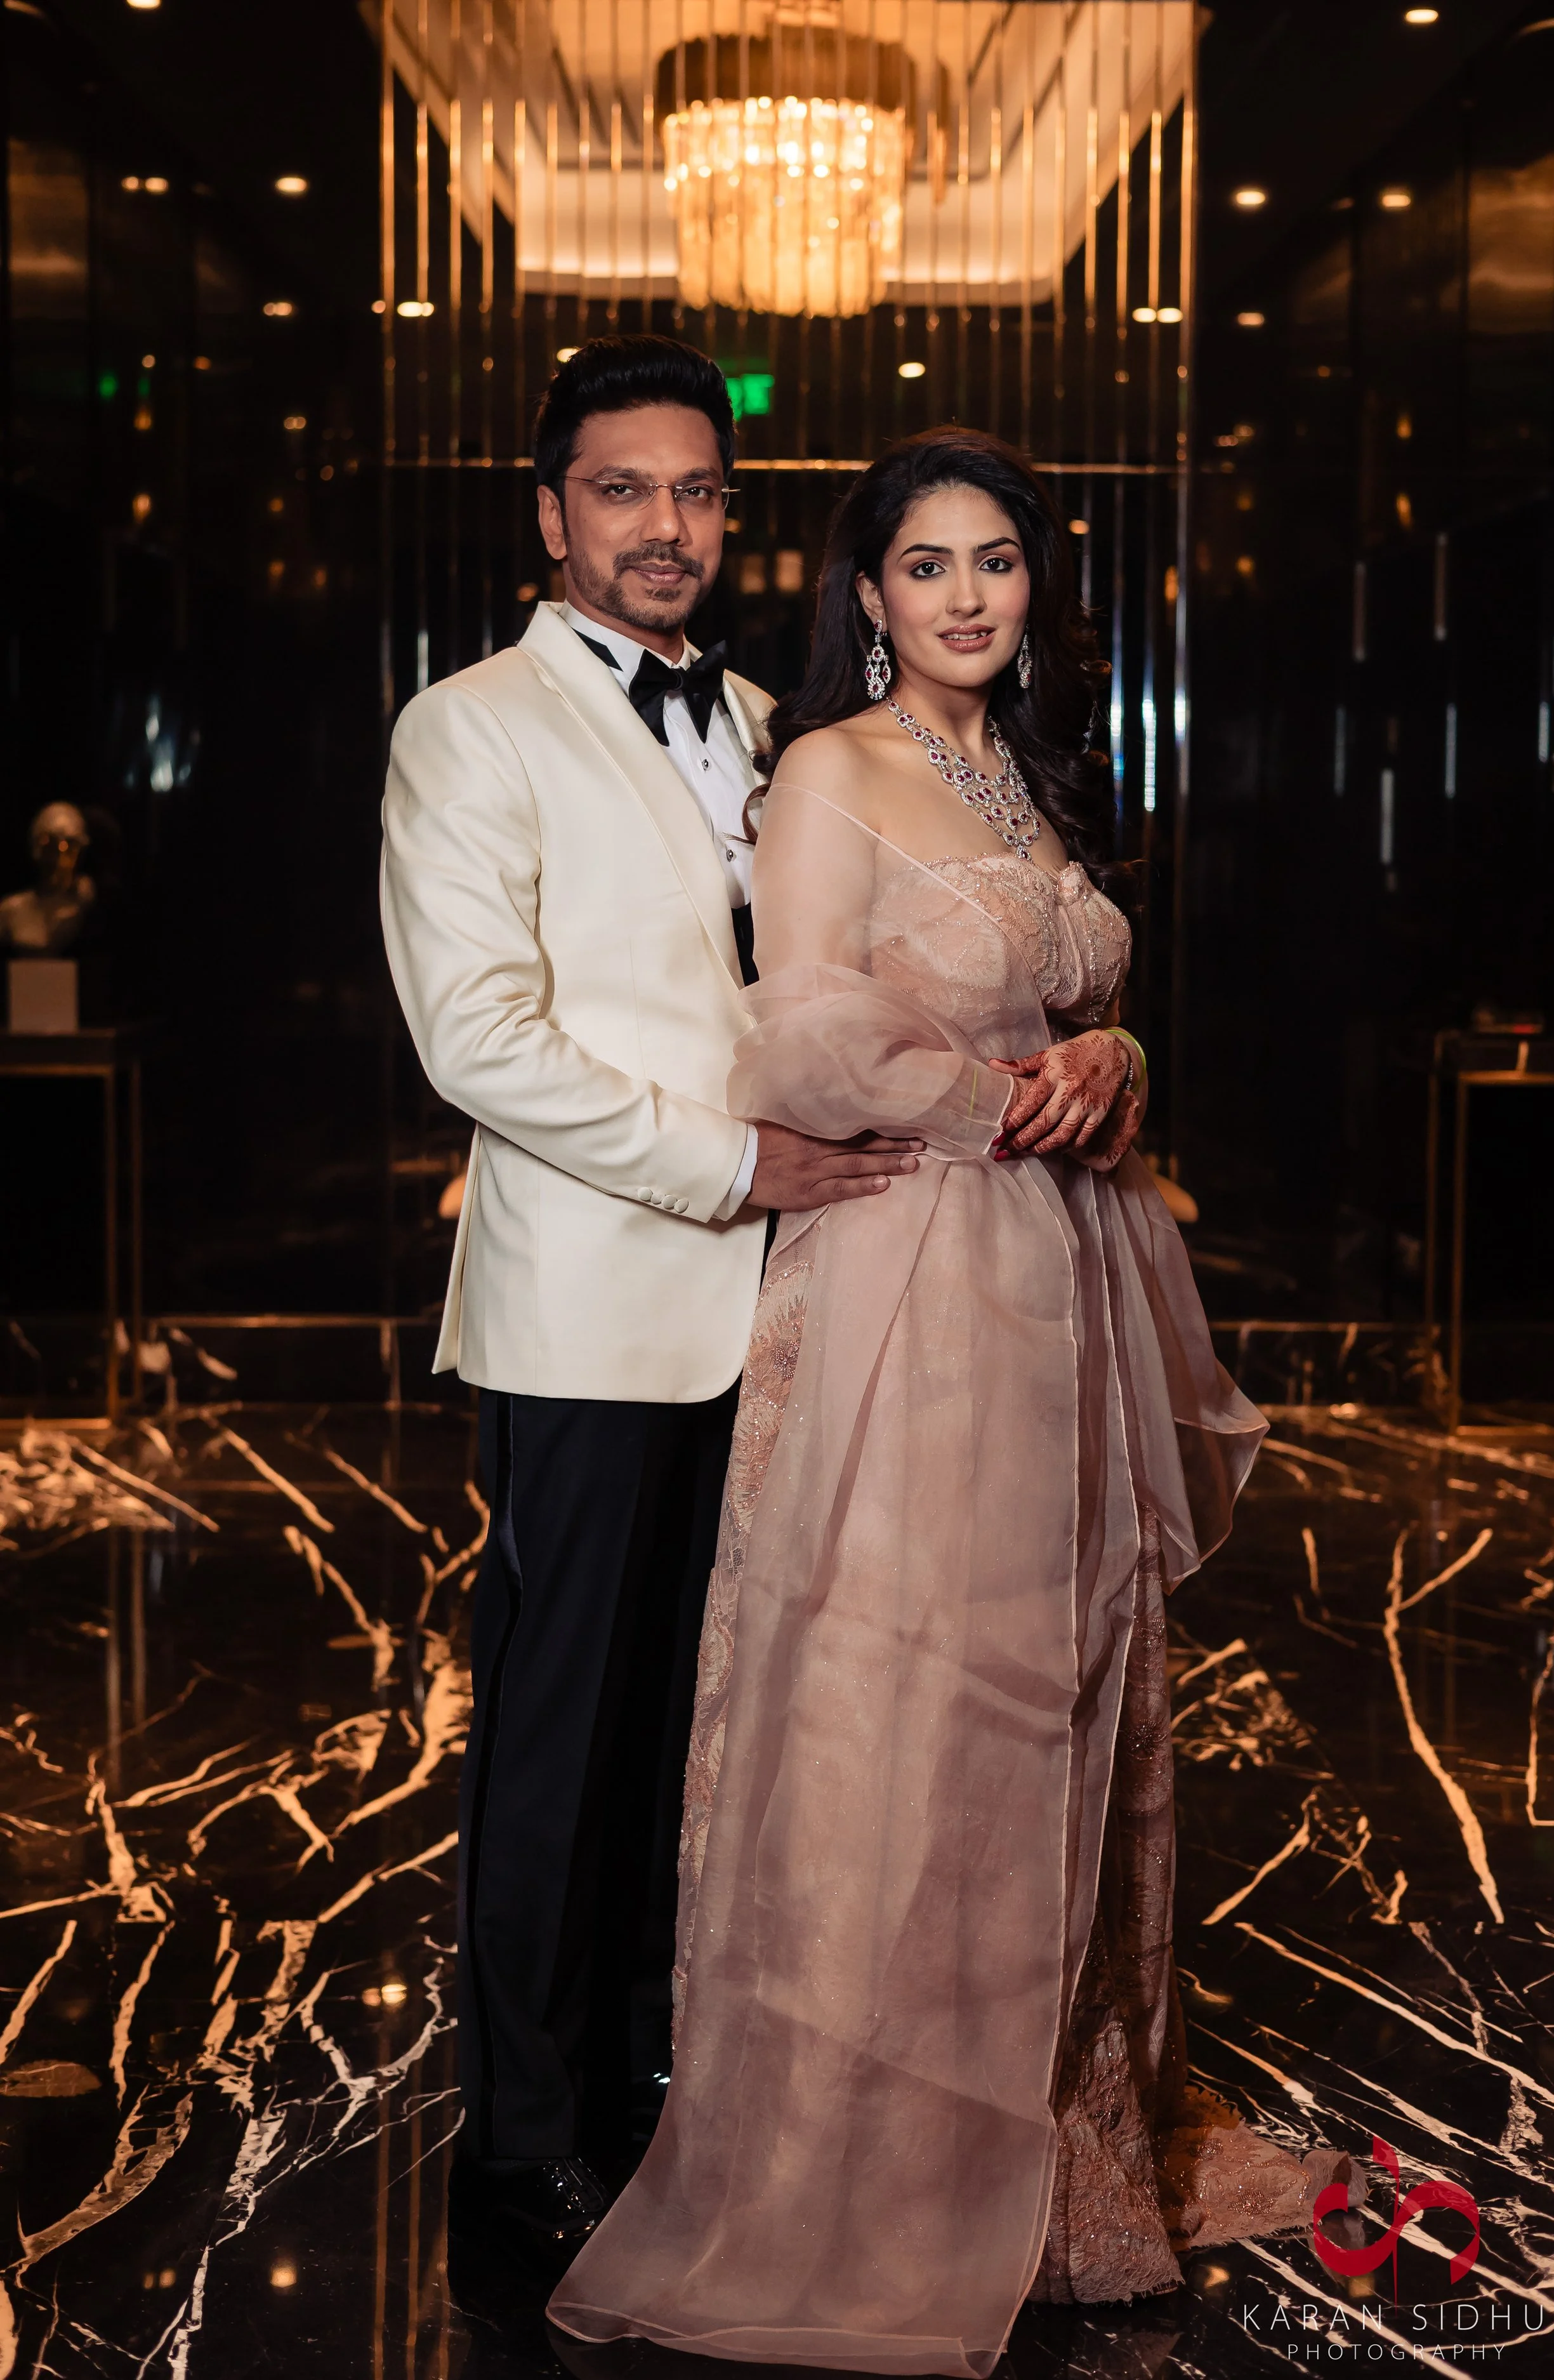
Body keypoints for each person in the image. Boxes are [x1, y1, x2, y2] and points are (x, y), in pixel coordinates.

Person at [549, 430, 1356, 2374]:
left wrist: (1114, 1053)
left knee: (1063, 1677)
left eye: (994, 561)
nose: (967, 596)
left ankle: (1069, 2140)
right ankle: (882, 2165)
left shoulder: (1017, 769)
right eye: (926, 566)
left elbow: (1064, 985)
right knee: (913, 1688)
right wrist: (1006, 1099)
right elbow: (805, 1016)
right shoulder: (829, 767)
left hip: (1059, 1271)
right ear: (866, 593)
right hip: (920, 1264)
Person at [379, 337, 922, 2270]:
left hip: (793, 1318)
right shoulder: (471, 727)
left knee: (712, 1736)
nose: (668, 525)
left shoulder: (778, 724)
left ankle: (643, 2090)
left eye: (697, 491)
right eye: (623, 490)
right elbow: (479, 1041)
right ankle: (522, 2141)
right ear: (551, 512)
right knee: (559, 1739)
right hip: (595, 1320)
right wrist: (732, 1167)